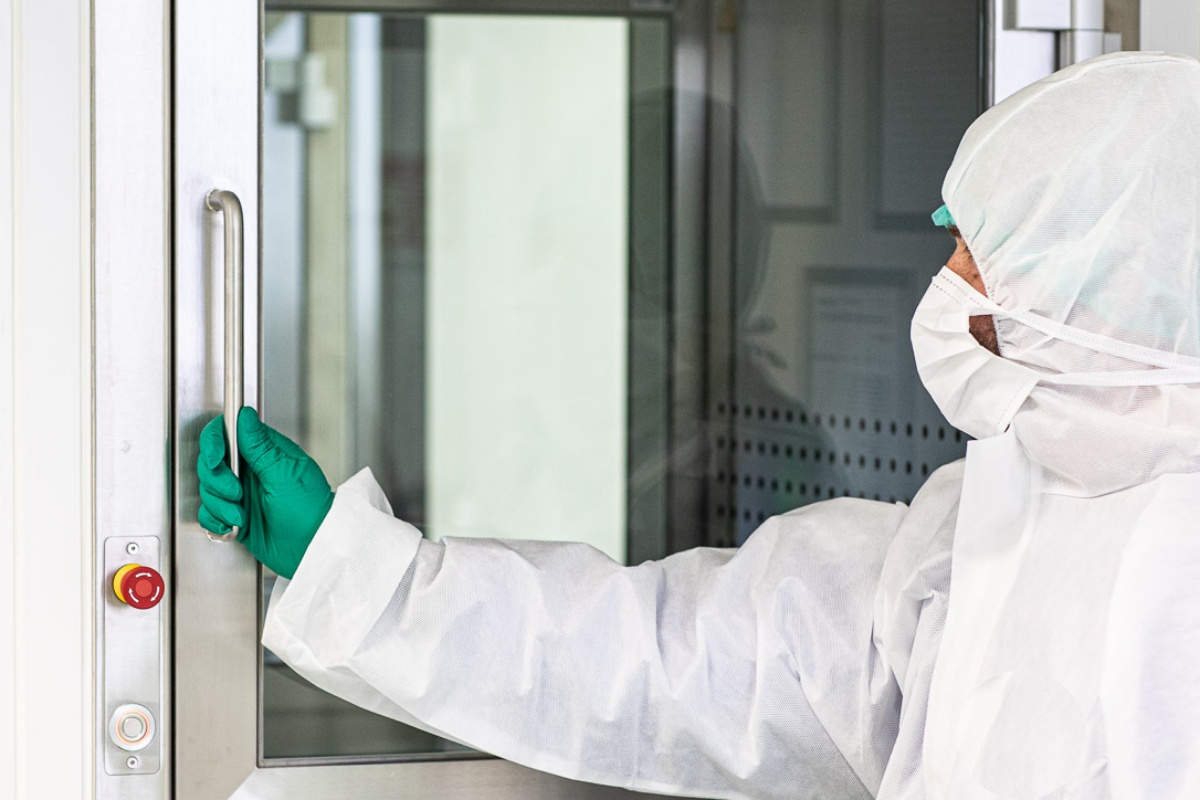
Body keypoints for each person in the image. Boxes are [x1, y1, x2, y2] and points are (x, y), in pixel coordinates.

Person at [197, 51, 1200, 799]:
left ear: (1107, 286)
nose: (949, 293)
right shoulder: (987, 525)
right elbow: (672, 659)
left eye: (987, 261)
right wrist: (350, 562)